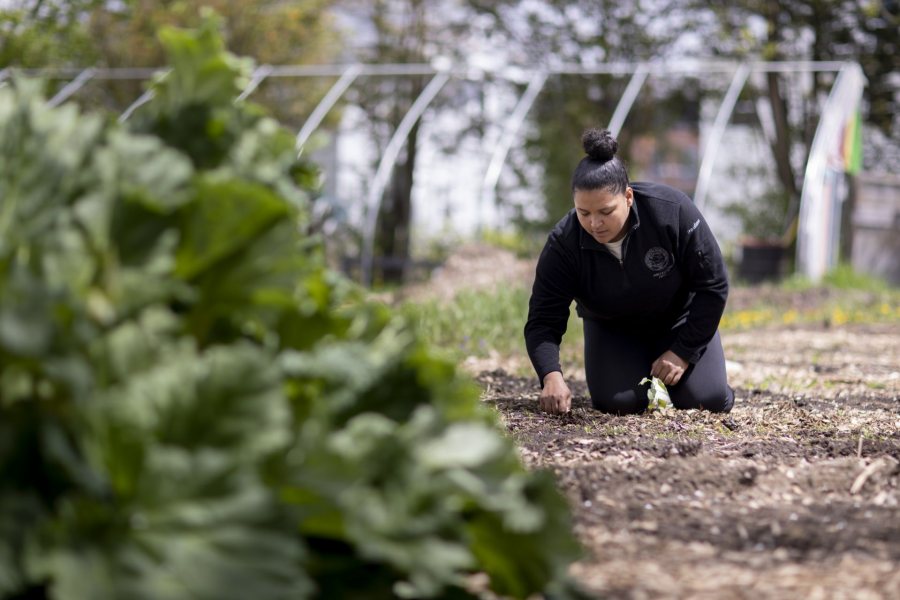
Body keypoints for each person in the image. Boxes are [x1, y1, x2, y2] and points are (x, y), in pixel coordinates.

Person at [524, 128, 734, 415]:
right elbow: (543, 319)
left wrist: (683, 351)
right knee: (619, 404)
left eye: (605, 212)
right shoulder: (564, 243)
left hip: (678, 322)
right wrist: (551, 376)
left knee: (705, 400)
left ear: (628, 197)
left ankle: (706, 378)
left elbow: (714, 284)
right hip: (612, 327)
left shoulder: (672, 212)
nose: (594, 223)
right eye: (584, 213)